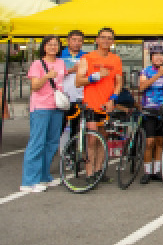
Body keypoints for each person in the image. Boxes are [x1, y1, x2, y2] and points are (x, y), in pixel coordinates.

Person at [76, 27, 123, 183]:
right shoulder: (87, 58)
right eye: (103, 37)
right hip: (91, 104)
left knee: (103, 139)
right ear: (97, 39)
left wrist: (112, 99)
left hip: (106, 106)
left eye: (109, 38)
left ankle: (99, 171)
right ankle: (89, 173)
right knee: (91, 139)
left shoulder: (116, 59)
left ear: (112, 41)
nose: (106, 40)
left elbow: (118, 83)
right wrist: (94, 76)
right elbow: (78, 81)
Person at [21, 35, 66, 192]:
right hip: (41, 107)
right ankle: (28, 181)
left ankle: (43, 176)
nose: (53, 47)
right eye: (50, 44)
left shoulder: (61, 63)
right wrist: (47, 76)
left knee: (52, 143)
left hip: (57, 107)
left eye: (56, 44)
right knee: (37, 143)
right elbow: (34, 86)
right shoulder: (37, 64)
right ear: (44, 47)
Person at [138, 44, 163, 184]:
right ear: (151, 57)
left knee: (160, 142)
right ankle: (147, 171)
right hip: (149, 110)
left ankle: (157, 170)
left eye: (161, 55)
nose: (159, 58)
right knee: (150, 142)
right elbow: (141, 87)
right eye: (156, 55)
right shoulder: (145, 71)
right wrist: (158, 75)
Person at [59, 30, 85, 150]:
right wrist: (70, 70)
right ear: (68, 41)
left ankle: (72, 154)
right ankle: (55, 154)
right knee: (59, 129)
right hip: (62, 98)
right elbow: (53, 75)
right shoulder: (59, 55)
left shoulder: (86, 56)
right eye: (74, 40)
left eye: (79, 40)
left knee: (75, 130)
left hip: (79, 98)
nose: (76, 43)